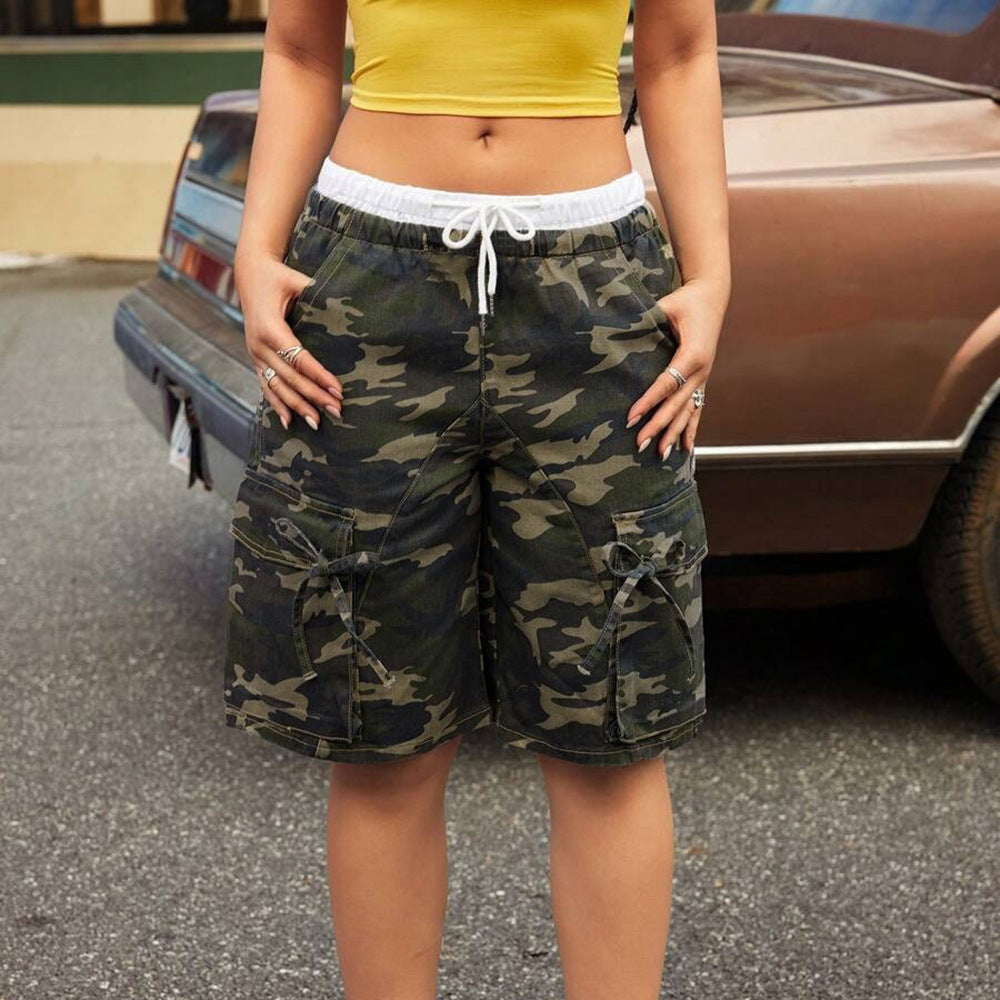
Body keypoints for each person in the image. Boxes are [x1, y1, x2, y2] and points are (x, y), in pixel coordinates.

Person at [226, 0, 730, 997]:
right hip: (365, 288)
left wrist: (713, 274)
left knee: (609, 734)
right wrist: (256, 247)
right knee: (381, 738)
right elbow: (299, 48)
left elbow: (677, 54)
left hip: (595, 289)